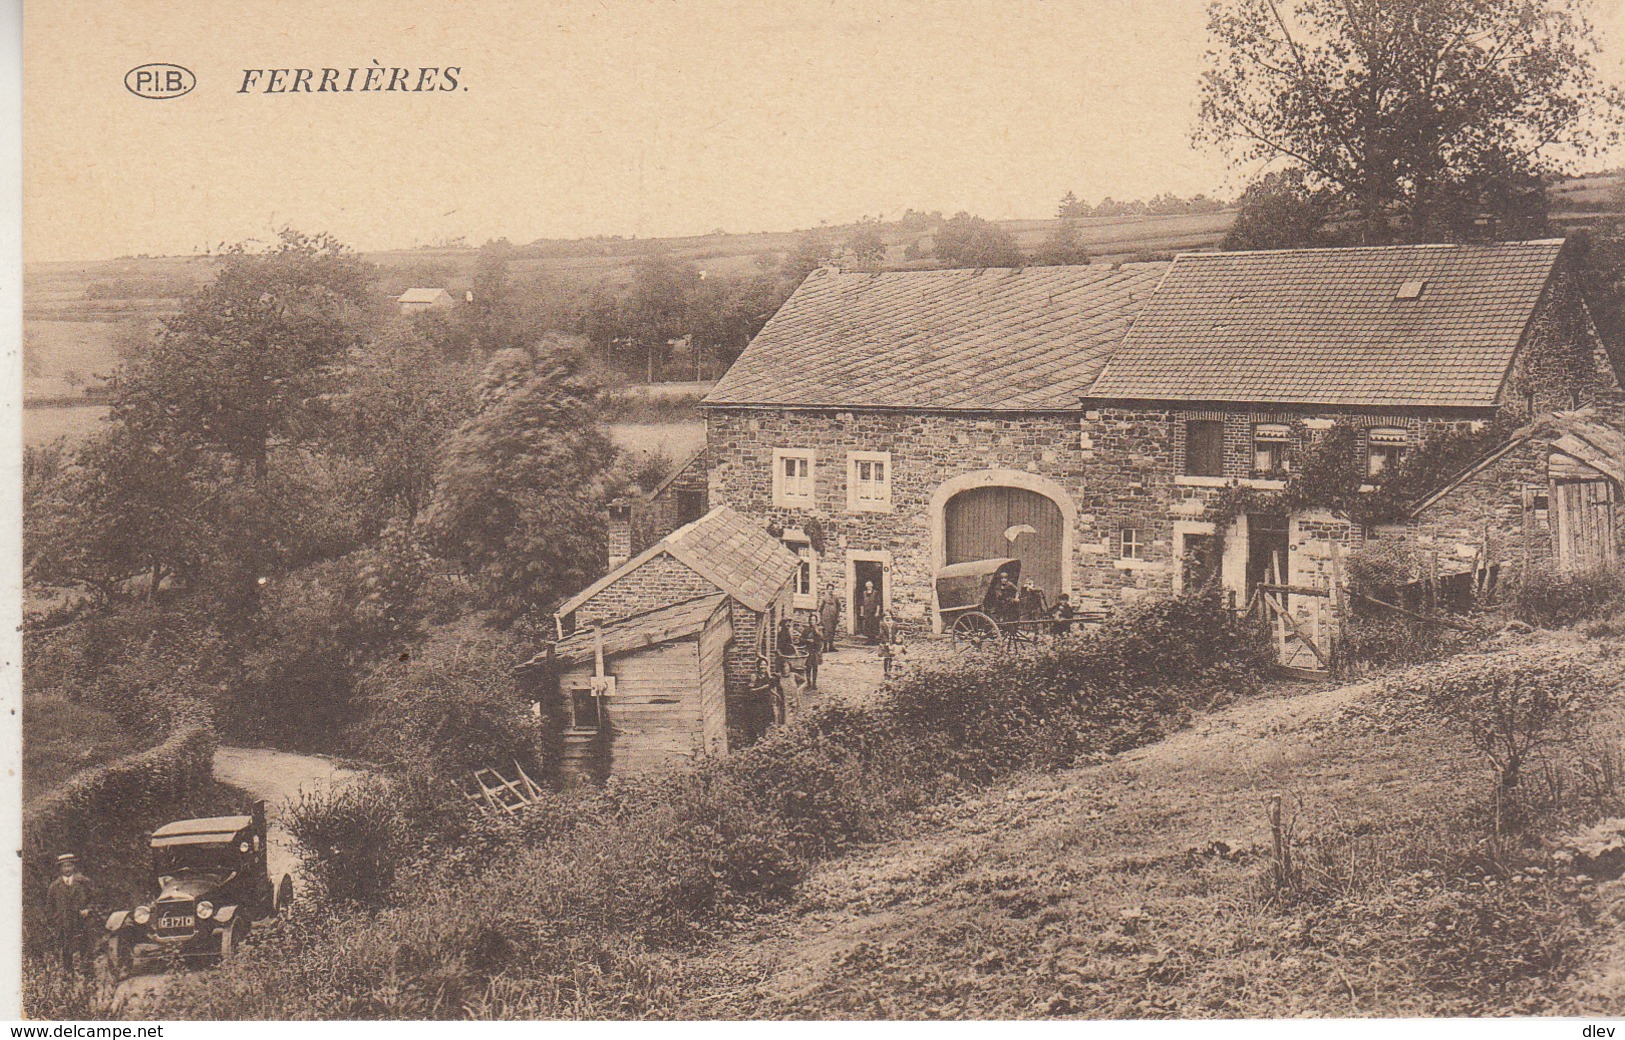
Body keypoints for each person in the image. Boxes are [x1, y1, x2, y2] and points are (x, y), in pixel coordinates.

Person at [45, 853, 97, 973]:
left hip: (83, 922)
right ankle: (68, 979)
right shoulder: (54, 886)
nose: (67, 869)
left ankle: (88, 978)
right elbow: (49, 907)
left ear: (74, 867)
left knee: (86, 948)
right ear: (60, 869)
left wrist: (88, 909)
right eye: (64, 866)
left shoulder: (84, 882)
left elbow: (95, 899)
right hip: (64, 924)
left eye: (69, 866)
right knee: (66, 951)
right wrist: (56, 920)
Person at [877, 611, 906, 677]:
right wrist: (886, 642)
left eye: (889, 617)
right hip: (885, 643)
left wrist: (897, 640)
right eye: (886, 617)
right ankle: (886, 670)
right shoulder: (882, 624)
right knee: (887, 656)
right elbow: (882, 634)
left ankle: (892, 670)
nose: (888, 618)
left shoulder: (894, 624)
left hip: (893, 642)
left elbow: (896, 633)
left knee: (893, 656)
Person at [818, 586, 843, 653]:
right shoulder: (824, 598)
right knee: (826, 632)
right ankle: (825, 647)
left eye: (832, 589)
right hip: (826, 617)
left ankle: (831, 646)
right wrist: (820, 618)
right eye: (829, 589)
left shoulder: (835, 598)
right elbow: (820, 609)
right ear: (827, 590)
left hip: (833, 617)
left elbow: (838, 606)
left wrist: (837, 616)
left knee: (832, 632)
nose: (830, 591)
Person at [800, 615, 823, 689]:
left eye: (814, 620)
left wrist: (817, 637)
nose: (812, 621)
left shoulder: (819, 630)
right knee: (808, 667)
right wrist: (806, 640)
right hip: (808, 650)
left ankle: (814, 683)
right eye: (811, 620)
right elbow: (801, 639)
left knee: (815, 667)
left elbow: (822, 639)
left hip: (816, 651)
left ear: (816, 621)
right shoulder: (806, 630)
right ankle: (809, 682)